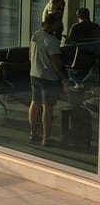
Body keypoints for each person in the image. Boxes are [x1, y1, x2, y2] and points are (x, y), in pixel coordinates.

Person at [29, 17, 69, 147]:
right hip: (48, 77)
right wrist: (64, 79)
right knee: (48, 107)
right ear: (53, 25)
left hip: (34, 74)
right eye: (58, 25)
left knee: (35, 103)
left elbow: (30, 55)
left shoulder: (35, 35)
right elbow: (56, 63)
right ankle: (46, 138)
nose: (59, 28)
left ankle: (33, 132)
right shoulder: (52, 41)